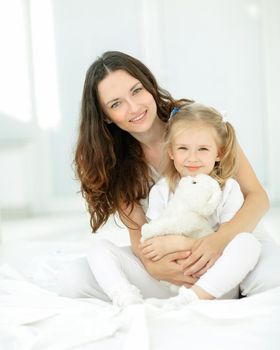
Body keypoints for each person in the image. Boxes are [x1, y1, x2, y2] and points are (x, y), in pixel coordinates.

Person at [36, 50, 280, 304]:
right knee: (74, 279)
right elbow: (141, 237)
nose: (134, 107)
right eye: (116, 104)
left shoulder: (195, 122)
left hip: (236, 241)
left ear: (149, 86)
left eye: (136, 91)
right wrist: (157, 268)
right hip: (178, 261)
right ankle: (196, 295)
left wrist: (218, 241)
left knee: (272, 279)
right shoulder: (116, 163)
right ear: (106, 116)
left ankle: (227, 287)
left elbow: (258, 197)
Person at [139, 102, 262, 308]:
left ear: (219, 153)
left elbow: (225, 244)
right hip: (174, 278)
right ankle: (126, 297)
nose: (192, 158)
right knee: (102, 250)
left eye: (203, 149)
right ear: (171, 152)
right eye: (183, 149)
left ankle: (189, 301)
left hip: (217, 282)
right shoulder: (162, 190)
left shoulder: (228, 189)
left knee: (248, 244)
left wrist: (179, 244)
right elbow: (154, 241)